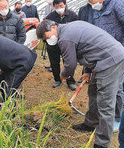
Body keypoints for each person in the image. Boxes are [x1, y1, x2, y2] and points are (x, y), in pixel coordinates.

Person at [36, 19, 124, 148]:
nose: (48, 40)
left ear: (54, 27)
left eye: (47, 36)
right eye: (45, 39)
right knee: (92, 90)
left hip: (110, 60)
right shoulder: (71, 27)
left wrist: (62, 75)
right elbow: (89, 48)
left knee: (105, 103)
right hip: (102, 59)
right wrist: (88, 71)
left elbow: (70, 64)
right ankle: (91, 123)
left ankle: (102, 143)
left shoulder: (65, 38)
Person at [87, 0, 124, 131]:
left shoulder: (118, 4)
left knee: (118, 86)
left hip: (118, 54)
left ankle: (117, 118)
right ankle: (99, 117)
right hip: (103, 55)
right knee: (101, 87)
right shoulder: (98, 9)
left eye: (92, 0)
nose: (91, 4)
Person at [45, 0, 78, 90]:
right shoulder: (50, 17)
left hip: (67, 44)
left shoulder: (72, 15)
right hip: (53, 44)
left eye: (61, 5)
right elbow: (45, 30)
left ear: (65, 4)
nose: (59, 8)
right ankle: (57, 79)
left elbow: (77, 28)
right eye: (56, 6)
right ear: (53, 7)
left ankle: (70, 81)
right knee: (54, 62)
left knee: (68, 62)